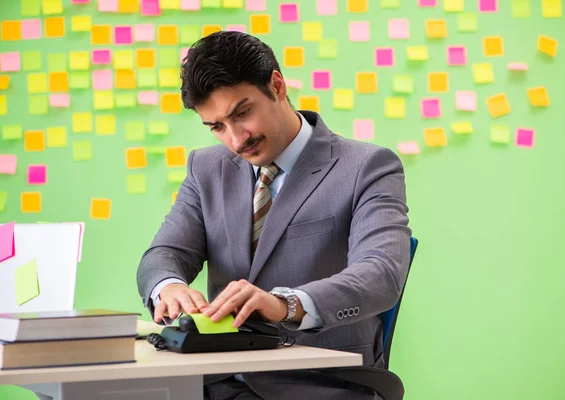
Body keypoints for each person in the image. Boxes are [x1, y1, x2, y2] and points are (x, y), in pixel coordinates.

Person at [136, 31, 412, 400]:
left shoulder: (367, 166)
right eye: (217, 126)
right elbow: (164, 254)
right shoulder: (206, 168)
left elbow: (382, 273)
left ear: (277, 86)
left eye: (242, 113)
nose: (236, 139)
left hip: (321, 383)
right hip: (217, 381)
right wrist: (168, 287)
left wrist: (287, 304)